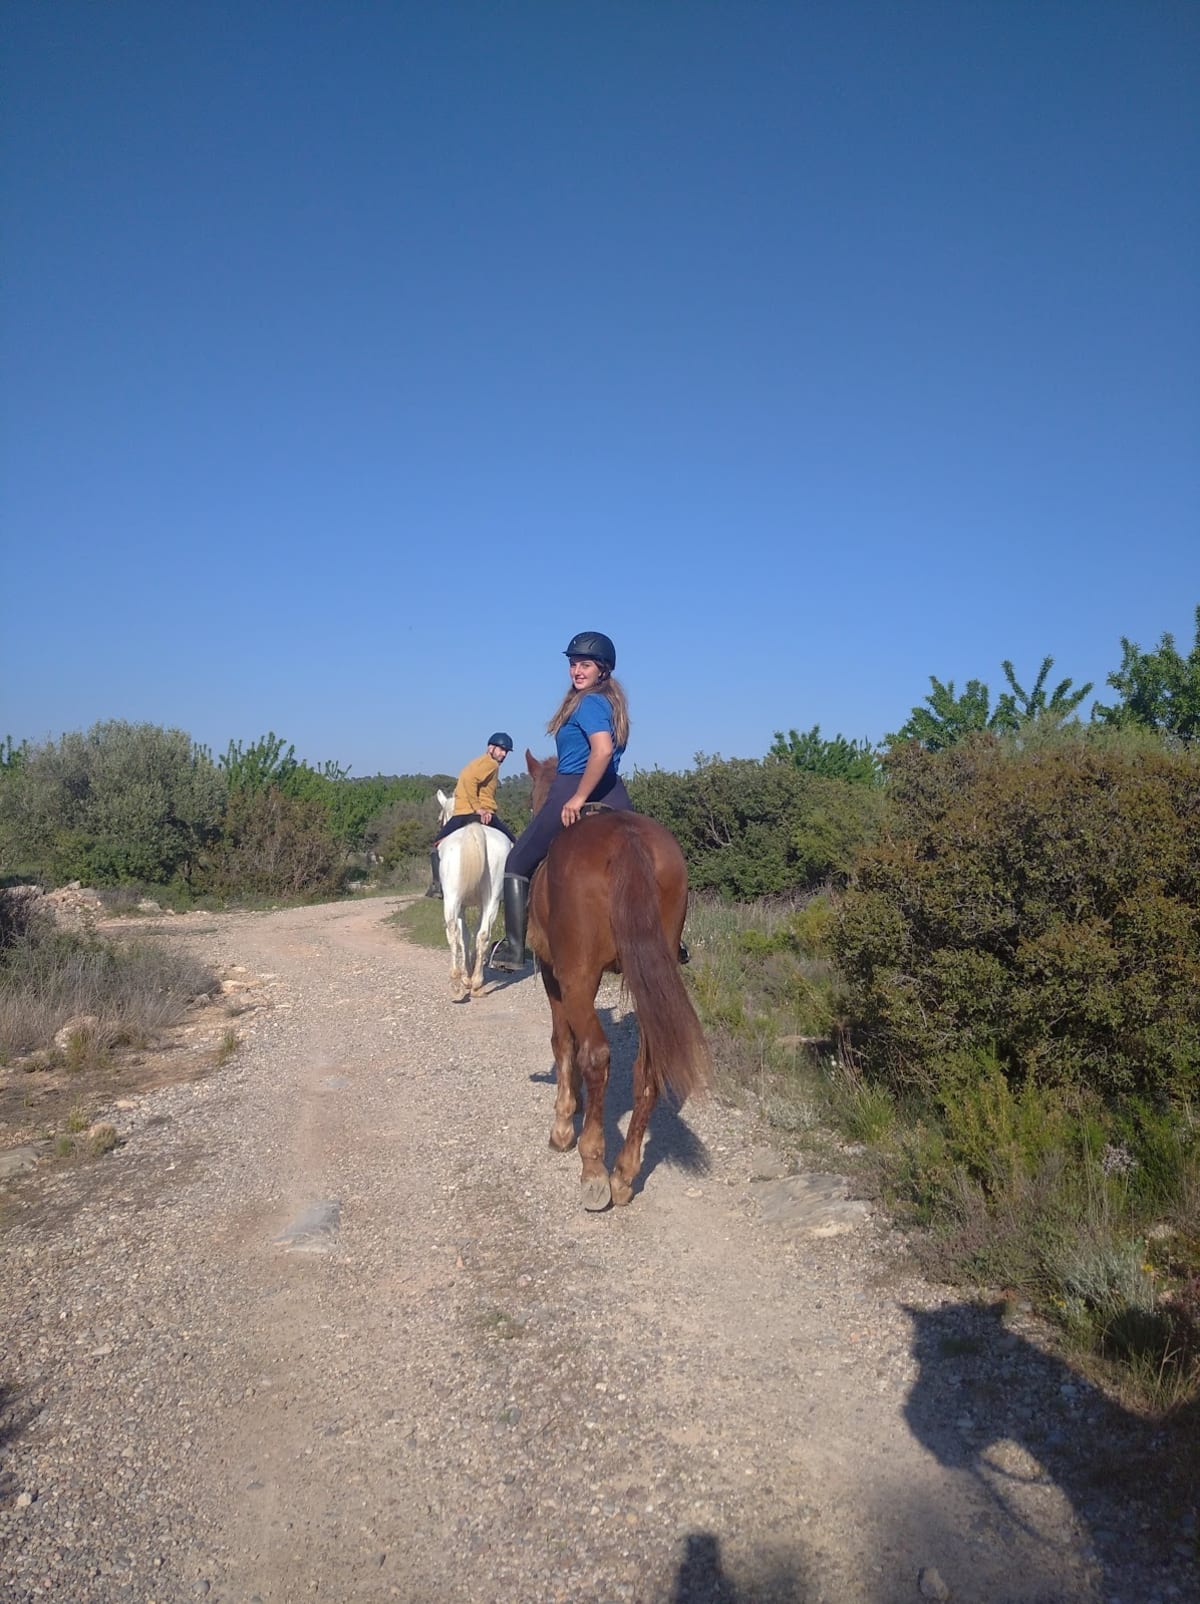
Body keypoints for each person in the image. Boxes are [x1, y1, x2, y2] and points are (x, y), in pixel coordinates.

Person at [490, 632, 632, 971]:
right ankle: (670, 938)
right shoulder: (612, 704)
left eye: (585, 665)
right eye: (573, 664)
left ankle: (513, 948)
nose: (577, 671)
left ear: (603, 670)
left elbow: (602, 750)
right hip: (614, 791)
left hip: (573, 785)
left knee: (517, 860)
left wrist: (578, 798)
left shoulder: (588, 703)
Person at [426, 732, 516, 897]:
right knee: (513, 843)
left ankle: (437, 885)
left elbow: (466, 777)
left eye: (506, 751)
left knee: (436, 844)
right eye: (501, 750)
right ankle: (509, 890)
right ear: (491, 748)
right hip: (480, 812)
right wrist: (478, 808)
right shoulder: (492, 764)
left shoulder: (476, 762)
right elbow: (469, 780)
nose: (503, 754)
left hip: (461, 814)